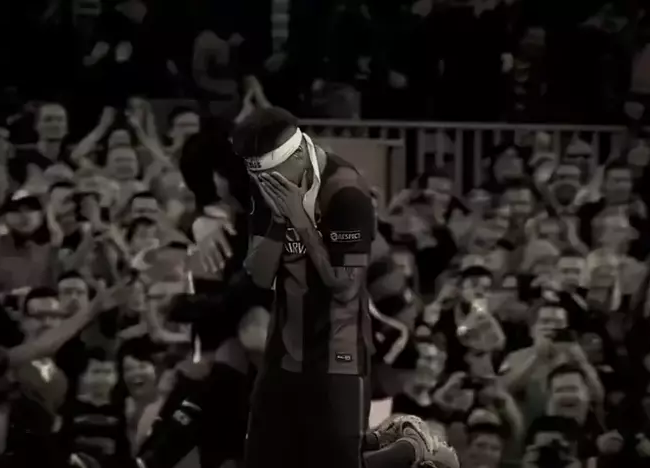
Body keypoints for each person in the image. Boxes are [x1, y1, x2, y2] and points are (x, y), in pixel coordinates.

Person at [166, 107, 457, 468]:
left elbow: (250, 293)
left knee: (251, 337)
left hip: (380, 345)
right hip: (356, 343)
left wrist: (189, 306)